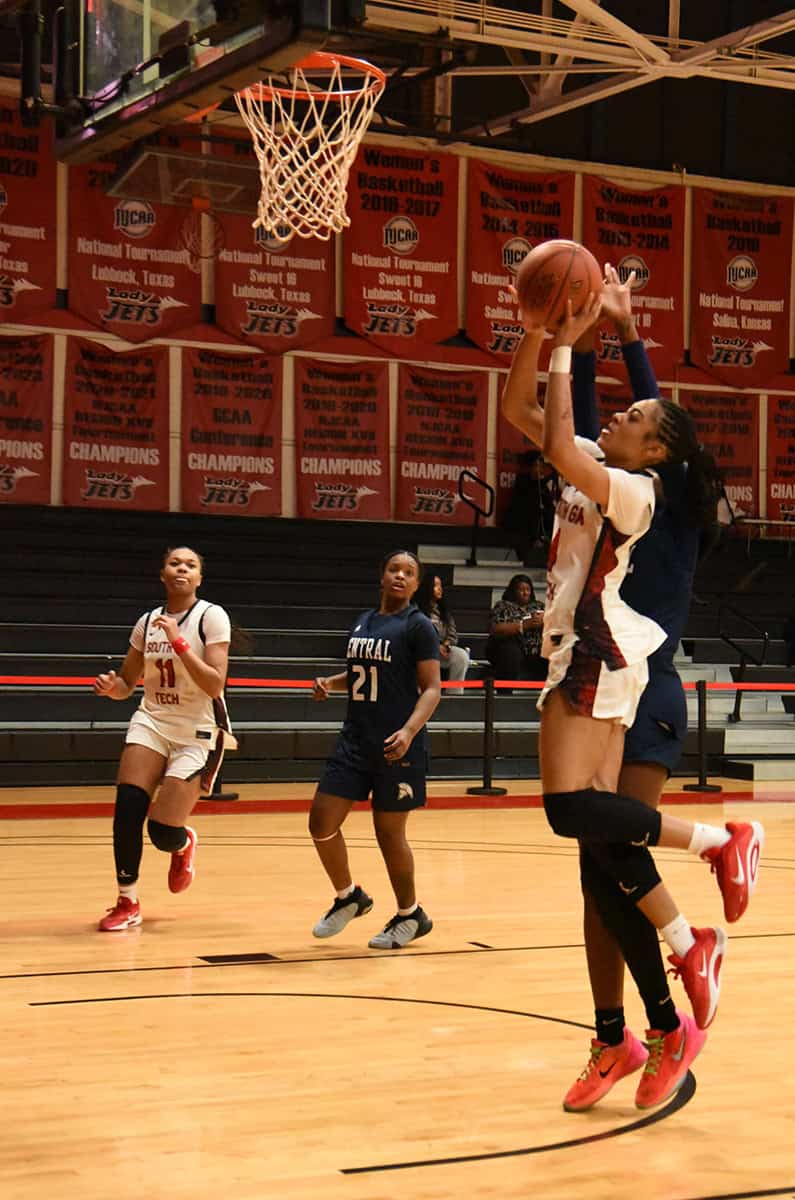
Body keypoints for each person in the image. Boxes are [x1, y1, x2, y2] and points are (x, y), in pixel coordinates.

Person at [501, 284, 764, 1111]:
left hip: (629, 671)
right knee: (601, 868)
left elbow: (630, 432)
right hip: (595, 657)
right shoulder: (611, 462)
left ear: (662, 450)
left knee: (598, 850)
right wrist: (547, 334)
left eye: (637, 416)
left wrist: (606, 337)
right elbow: (550, 421)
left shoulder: (657, 494)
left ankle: (704, 892)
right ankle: (637, 1027)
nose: (621, 414)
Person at [93, 546, 234, 932]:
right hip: (152, 721)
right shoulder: (147, 621)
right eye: (175, 563)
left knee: (161, 832)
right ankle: (128, 901)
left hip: (196, 731)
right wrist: (112, 688)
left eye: (190, 565)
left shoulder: (210, 616)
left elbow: (214, 682)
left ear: (199, 578)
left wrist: (180, 642)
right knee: (127, 809)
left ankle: (183, 843)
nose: (182, 569)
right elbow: (127, 683)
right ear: (163, 574)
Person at [308, 550, 441, 949]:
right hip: (355, 739)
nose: (400, 576)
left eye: (409, 572)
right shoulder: (364, 622)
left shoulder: (419, 627)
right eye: (393, 569)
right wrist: (331, 684)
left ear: (416, 585)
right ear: (381, 576)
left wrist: (409, 732)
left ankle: (410, 914)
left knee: (389, 835)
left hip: (396, 744)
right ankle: (349, 897)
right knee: (320, 822)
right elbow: (364, 674)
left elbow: (432, 688)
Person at [485, 573, 545, 689]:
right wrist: (523, 625)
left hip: (536, 648)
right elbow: (495, 629)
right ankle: (505, 691)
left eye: (528, 589)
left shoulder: (539, 606)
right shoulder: (502, 606)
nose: (525, 593)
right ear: (513, 591)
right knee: (510, 649)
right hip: (510, 648)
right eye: (521, 589)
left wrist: (544, 622)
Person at [414, 572, 470, 694]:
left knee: (461, 656)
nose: (440, 589)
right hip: (422, 649)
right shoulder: (415, 609)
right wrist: (434, 646)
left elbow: (453, 633)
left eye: (440, 586)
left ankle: (454, 694)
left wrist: (446, 644)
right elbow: (416, 635)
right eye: (435, 586)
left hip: (442, 650)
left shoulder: (444, 610)